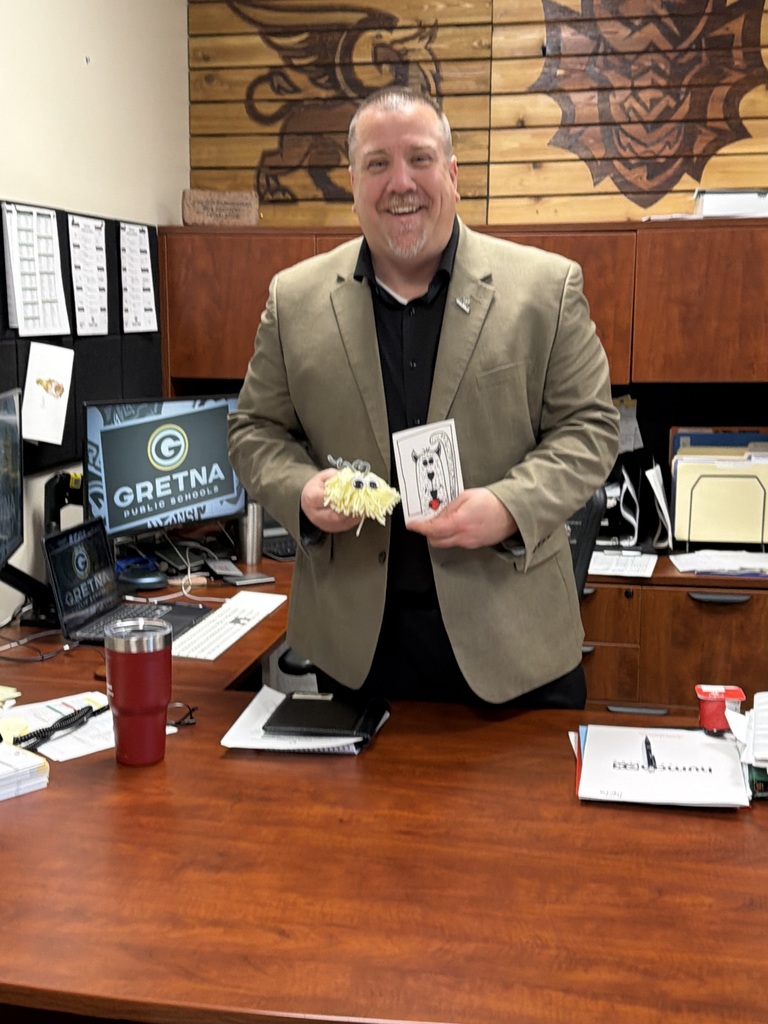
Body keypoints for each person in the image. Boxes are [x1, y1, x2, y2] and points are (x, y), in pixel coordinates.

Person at [228, 86, 620, 708]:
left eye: (420, 158)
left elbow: (592, 429)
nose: (400, 182)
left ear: (453, 173)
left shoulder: (546, 289)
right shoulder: (292, 300)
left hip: (515, 651)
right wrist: (300, 493)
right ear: (353, 183)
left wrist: (509, 507)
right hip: (356, 654)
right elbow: (254, 431)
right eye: (377, 164)